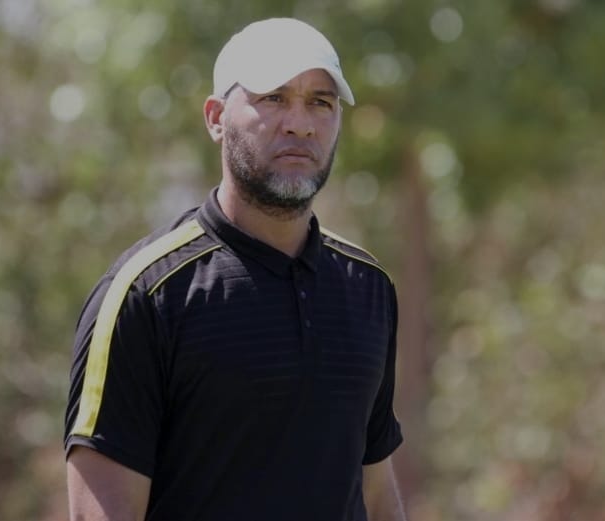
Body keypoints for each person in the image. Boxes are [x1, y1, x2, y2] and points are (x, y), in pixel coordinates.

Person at [65, 17, 406, 521]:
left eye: (321, 102)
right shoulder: (144, 295)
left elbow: (375, 492)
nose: (300, 123)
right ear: (216, 117)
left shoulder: (368, 287)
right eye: (273, 97)